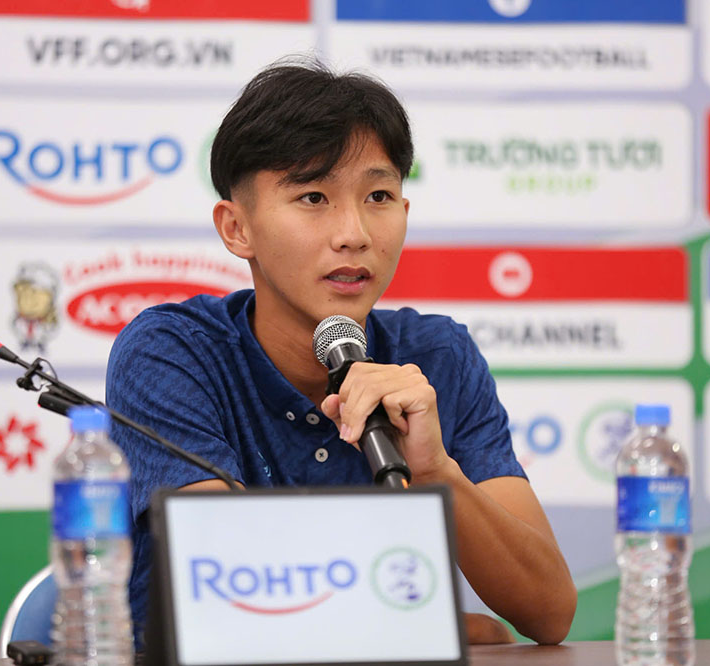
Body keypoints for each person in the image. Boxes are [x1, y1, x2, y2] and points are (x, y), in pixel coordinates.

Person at [106, 59, 576, 647]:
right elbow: (225, 588)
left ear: (404, 214)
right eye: (313, 197)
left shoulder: (436, 354)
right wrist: (438, 625)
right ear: (236, 228)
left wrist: (436, 473)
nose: (354, 232)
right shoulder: (172, 352)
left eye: (378, 195)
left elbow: (549, 613)